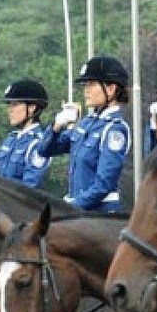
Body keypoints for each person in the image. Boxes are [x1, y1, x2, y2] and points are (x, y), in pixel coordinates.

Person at [36, 54, 131, 212]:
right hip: (80, 211)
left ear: (111, 88)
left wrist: (70, 207)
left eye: (91, 84)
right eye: (85, 85)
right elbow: (44, 150)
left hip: (100, 214)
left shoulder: (114, 129)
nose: (86, 90)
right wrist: (56, 126)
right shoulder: (86, 124)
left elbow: (104, 184)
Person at [0, 79, 51, 188]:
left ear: (32, 108)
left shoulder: (38, 143)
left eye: (15, 105)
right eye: (9, 105)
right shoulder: (11, 140)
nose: (10, 110)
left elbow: (30, 188)